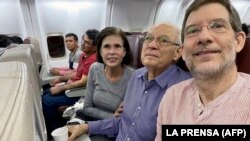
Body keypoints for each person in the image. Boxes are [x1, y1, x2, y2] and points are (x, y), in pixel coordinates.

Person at [67, 23, 191, 141]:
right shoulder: (137, 76)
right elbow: (124, 123)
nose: (152, 45)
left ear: (178, 52)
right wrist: (86, 127)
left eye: (163, 40)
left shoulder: (186, 89)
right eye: (148, 38)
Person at [155, 0, 250, 140]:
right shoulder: (172, 97)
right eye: (193, 30)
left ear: (238, 41)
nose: (204, 37)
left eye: (218, 25)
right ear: (183, 51)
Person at [42, 29, 99, 139]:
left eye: (87, 42)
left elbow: (83, 82)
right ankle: (56, 126)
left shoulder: (93, 60)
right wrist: (61, 78)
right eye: (83, 40)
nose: (83, 44)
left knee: (47, 101)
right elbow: (75, 73)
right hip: (71, 88)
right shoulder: (83, 56)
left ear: (95, 47)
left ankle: (58, 131)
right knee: (45, 94)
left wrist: (61, 88)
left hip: (77, 93)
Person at [73, 27, 134, 122]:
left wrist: (113, 119)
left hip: (115, 127)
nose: (112, 52)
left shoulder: (133, 77)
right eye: (106, 46)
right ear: (100, 52)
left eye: (117, 46)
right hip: (92, 121)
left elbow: (124, 118)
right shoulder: (95, 69)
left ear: (124, 52)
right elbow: (86, 108)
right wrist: (111, 117)